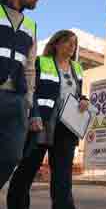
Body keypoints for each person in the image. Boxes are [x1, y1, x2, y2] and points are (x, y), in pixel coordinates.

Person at [7, 30, 89, 209]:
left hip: (67, 127)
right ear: (56, 43)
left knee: (63, 178)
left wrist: (84, 99)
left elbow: (77, 93)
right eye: (67, 42)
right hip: (42, 123)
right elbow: (31, 89)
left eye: (74, 44)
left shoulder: (78, 68)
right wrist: (34, 114)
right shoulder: (41, 62)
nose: (71, 46)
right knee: (27, 170)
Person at [0, 0, 44, 190]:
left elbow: (29, 68)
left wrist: (28, 101)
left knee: (12, 156)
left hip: (16, 100)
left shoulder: (31, 25)